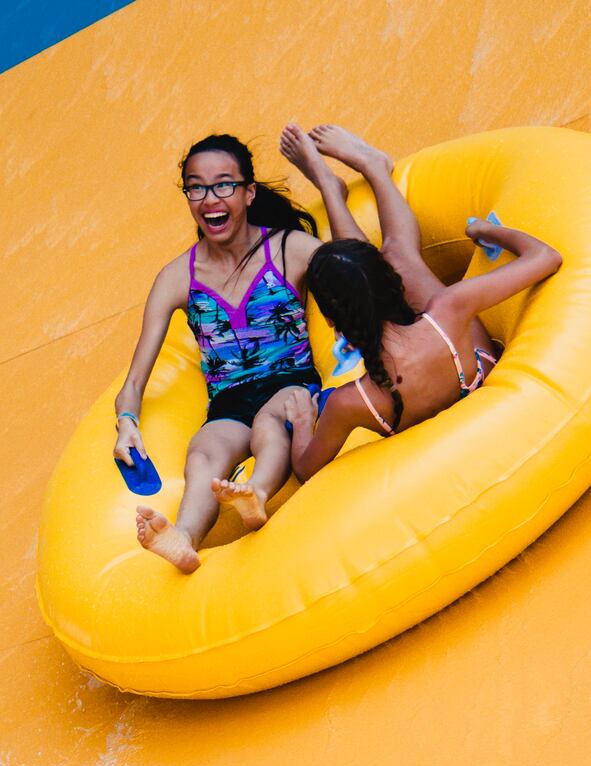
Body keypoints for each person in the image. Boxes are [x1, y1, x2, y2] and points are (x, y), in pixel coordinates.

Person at [243, 125, 562, 483]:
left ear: (330, 322)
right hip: (457, 356)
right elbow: (545, 257)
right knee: (399, 254)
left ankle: (332, 188)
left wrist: (303, 422)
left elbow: (305, 467)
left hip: (407, 387)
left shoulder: (351, 403)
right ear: (390, 285)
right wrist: (486, 232)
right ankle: (373, 169)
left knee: (373, 267)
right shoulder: (450, 307)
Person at [117, 133, 364, 573]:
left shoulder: (286, 248)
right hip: (228, 400)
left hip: (291, 383)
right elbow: (135, 380)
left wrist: (330, 187)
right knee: (202, 452)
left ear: (249, 193)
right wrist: (127, 424)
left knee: (270, 429)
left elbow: (359, 264)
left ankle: (257, 494)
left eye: (224, 184)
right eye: (196, 187)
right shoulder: (177, 278)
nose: (210, 199)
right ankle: (184, 538)